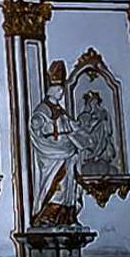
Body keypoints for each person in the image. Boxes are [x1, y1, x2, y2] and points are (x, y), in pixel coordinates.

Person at [29, 81, 92, 227]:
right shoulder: (43, 108)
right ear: (51, 91)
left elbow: (70, 124)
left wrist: (79, 129)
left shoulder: (60, 110)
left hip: (67, 149)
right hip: (53, 152)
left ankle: (67, 216)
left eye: (62, 91)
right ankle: (48, 215)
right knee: (57, 182)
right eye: (58, 90)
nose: (61, 93)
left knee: (70, 183)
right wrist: (38, 122)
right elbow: (37, 122)